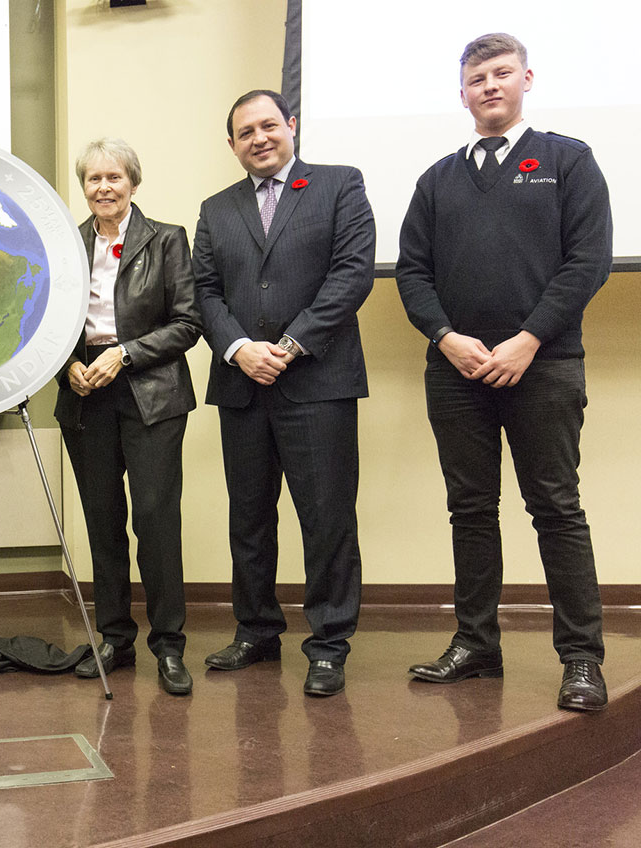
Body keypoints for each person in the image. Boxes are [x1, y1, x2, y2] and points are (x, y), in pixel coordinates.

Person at [396, 34, 612, 711]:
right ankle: (475, 644)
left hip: (543, 369)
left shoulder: (568, 160)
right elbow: (412, 271)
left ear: (526, 78)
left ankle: (581, 658)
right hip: (455, 372)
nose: (488, 86)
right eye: (475, 78)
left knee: (555, 507)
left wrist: (527, 341)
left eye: (500, 73)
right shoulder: (437, 179)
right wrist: (445, 336)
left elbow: (587, 261)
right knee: (470, 510)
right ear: (462, 92)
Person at [192, 90, 374, 697]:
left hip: (317, 383)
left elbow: (352, 273)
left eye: (269, 125)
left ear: (291, 126)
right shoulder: (216, 209)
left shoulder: (339, 185)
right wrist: (241, 348)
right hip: (241, 384)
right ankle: (257, 631)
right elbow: (205, 293)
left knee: (325, 519)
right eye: (245, 132)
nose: (259, 138)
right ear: (232, 144)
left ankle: (328, 644)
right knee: (248, 519)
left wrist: (291, 346)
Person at [55, 138, 201, 696]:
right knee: (102, 520)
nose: (103, 188)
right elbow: (42, 319)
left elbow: (188, 323)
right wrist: (68, 363)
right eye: (93, 179)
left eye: (114, 178)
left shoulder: (166, 241)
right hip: (85, 393)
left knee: (156, 521)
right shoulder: (65, 244)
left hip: (150, 394)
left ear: (133, 184)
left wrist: (126, 353)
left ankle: (169, 646)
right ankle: (114, 638)